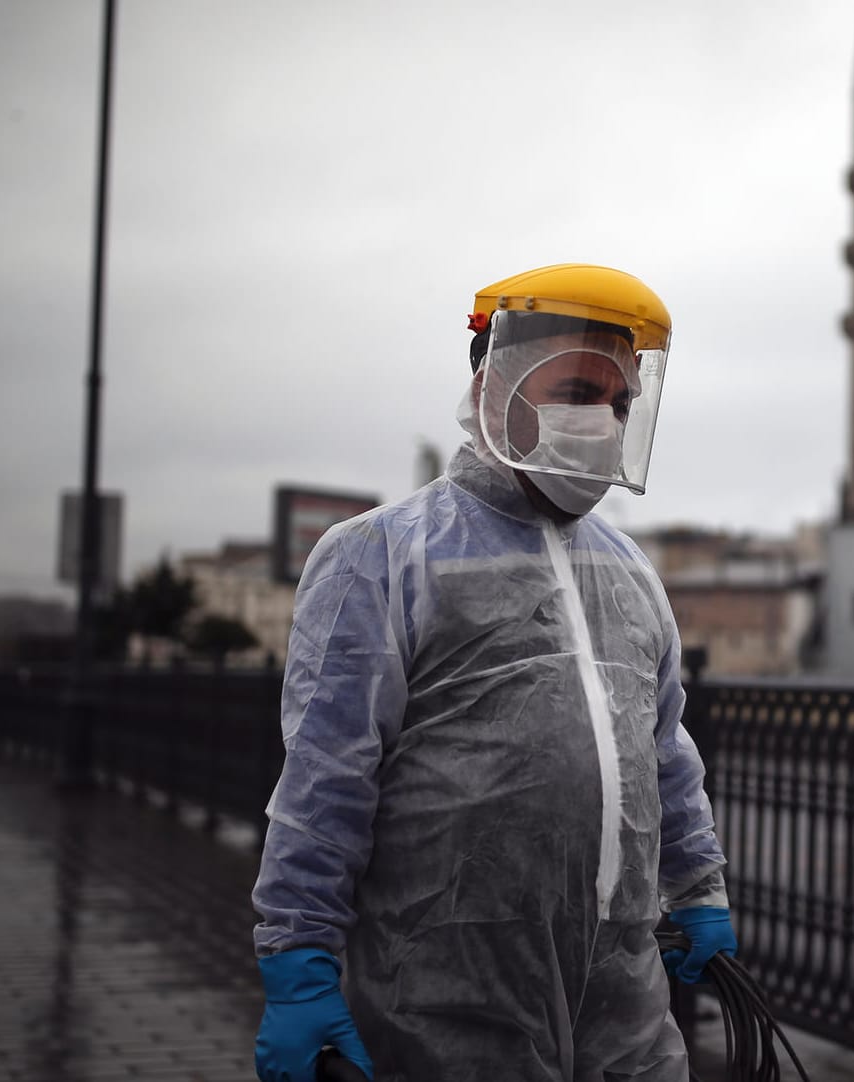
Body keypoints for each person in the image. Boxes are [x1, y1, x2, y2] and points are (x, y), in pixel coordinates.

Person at [251, 264, 736, 1081]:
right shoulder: (381, 555)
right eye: (579, 390)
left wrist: (698, 888)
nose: (604, 422)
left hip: (620, 989)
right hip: (443, 990)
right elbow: (328, 775)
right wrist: (299, 959)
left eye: (618, 403)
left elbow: (663, 755)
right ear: (491, 388)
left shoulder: (627, 571)